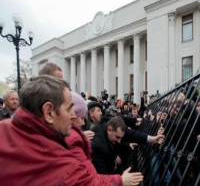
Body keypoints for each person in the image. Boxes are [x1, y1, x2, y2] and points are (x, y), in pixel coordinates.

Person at [0, 75, 143, 186]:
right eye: (69, 108)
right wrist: (121, 181)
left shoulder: (4, 128)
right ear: (49, 112)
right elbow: (88, 182)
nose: (73, 115)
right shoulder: (59, 162)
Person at [91, 115, 165, 175]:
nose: (119, 141)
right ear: (109, 129)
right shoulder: (98, 145)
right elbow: (102, 177)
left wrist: (152, 139)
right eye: (117, 137)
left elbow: (132, 134)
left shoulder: (113, 127)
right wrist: (121, 181)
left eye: (121, 138)